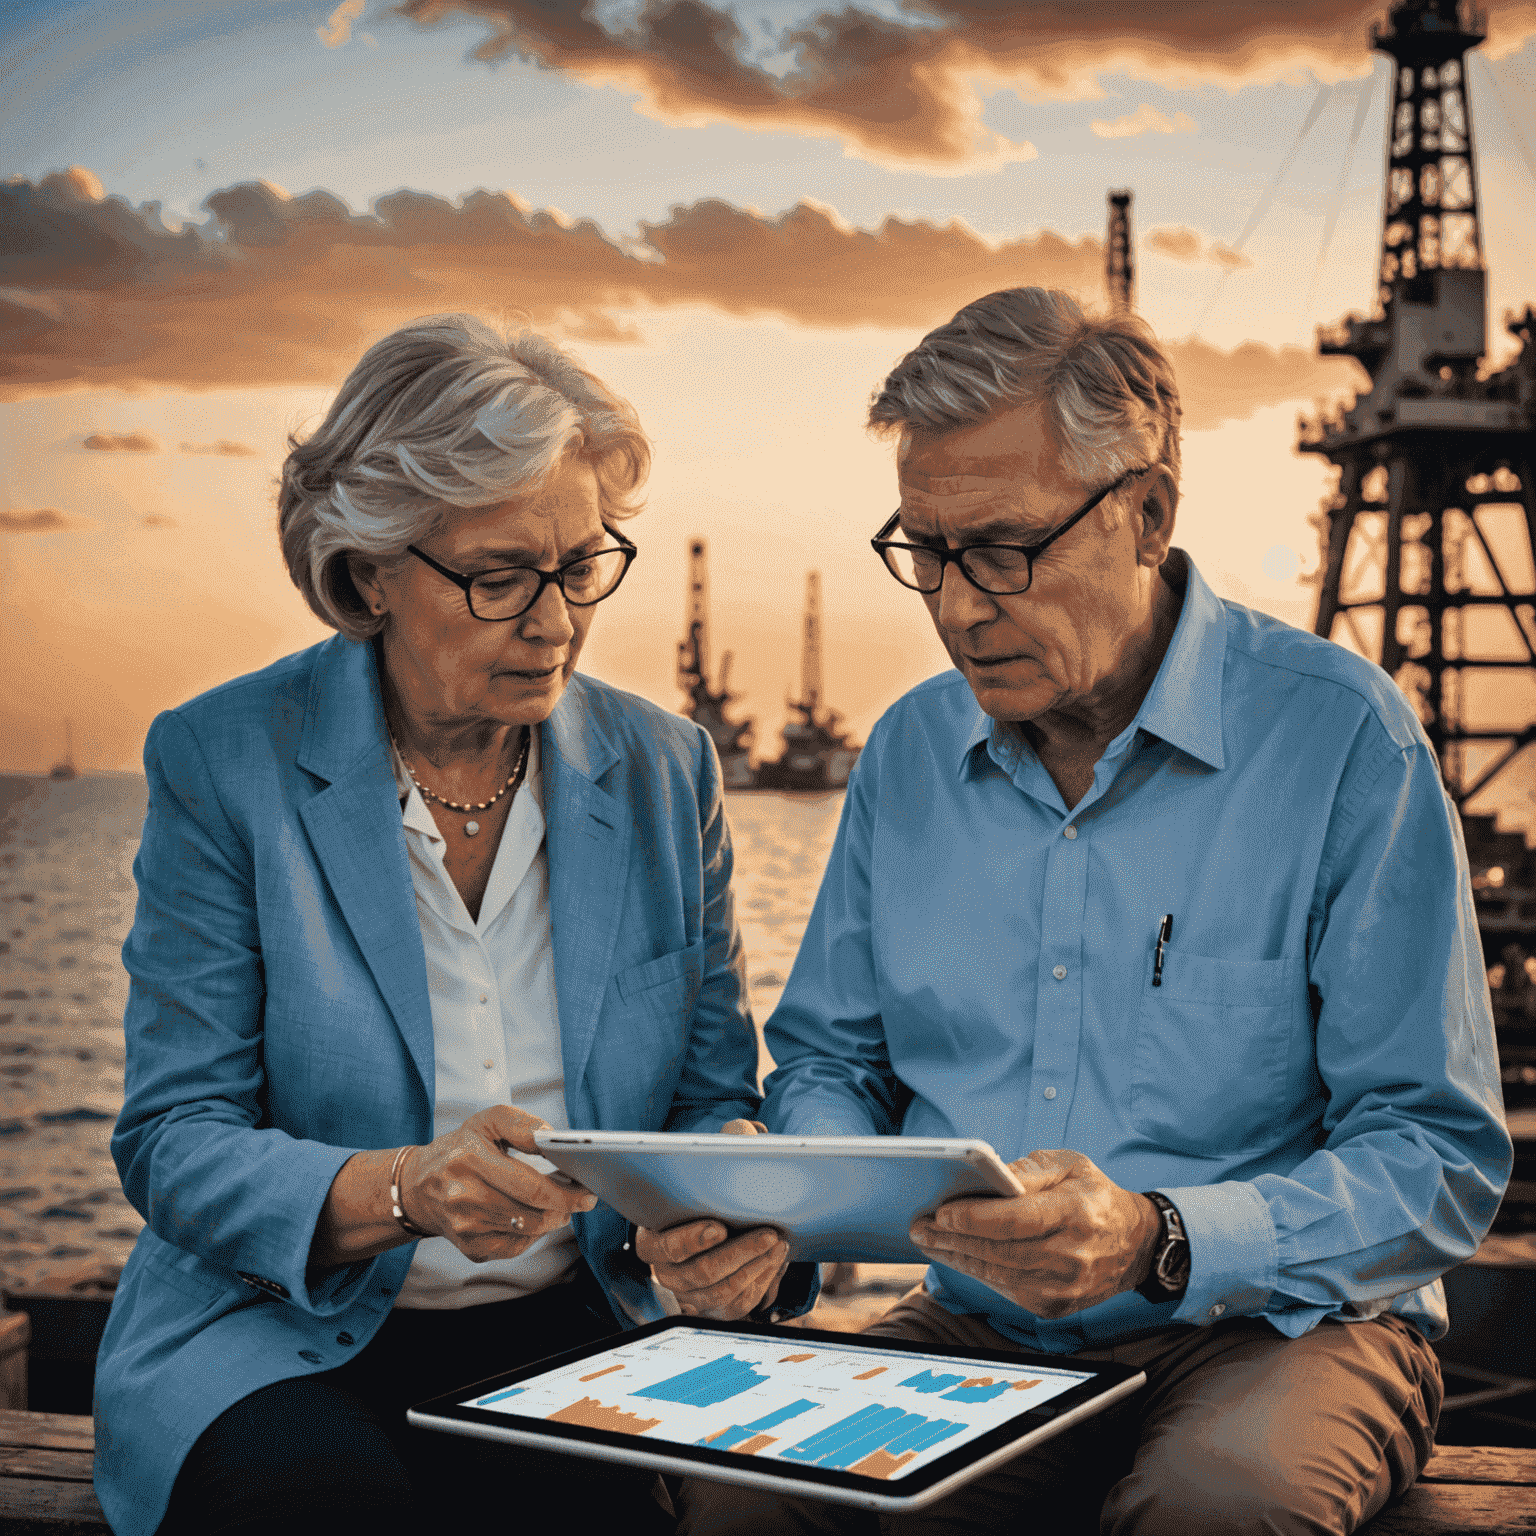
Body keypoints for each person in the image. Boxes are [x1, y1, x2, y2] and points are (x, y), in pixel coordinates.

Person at [676, 287, 1514, 1536]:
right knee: (744, 1502)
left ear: (1149, 514)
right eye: (926, 554)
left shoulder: (1342, 740)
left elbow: (1437, 1158)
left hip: (1282, 1329)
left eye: (1005, 550)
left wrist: (1160, 1242)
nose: (959, 606)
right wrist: (780, 1218)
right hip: (977, 1326)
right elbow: (833, 1063)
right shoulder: (907, 754)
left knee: (1214, 1510)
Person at [94, 314, 805, 1536]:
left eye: (581, 566)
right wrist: (405, 1190)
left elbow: (706, 1097)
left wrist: (728, 1224)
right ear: (370, 570)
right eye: (499, 577)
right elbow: (174, 1137)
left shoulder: (665, 769)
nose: (555, 622)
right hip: (276, 1335)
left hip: (578, 1329)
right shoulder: (222, 760)